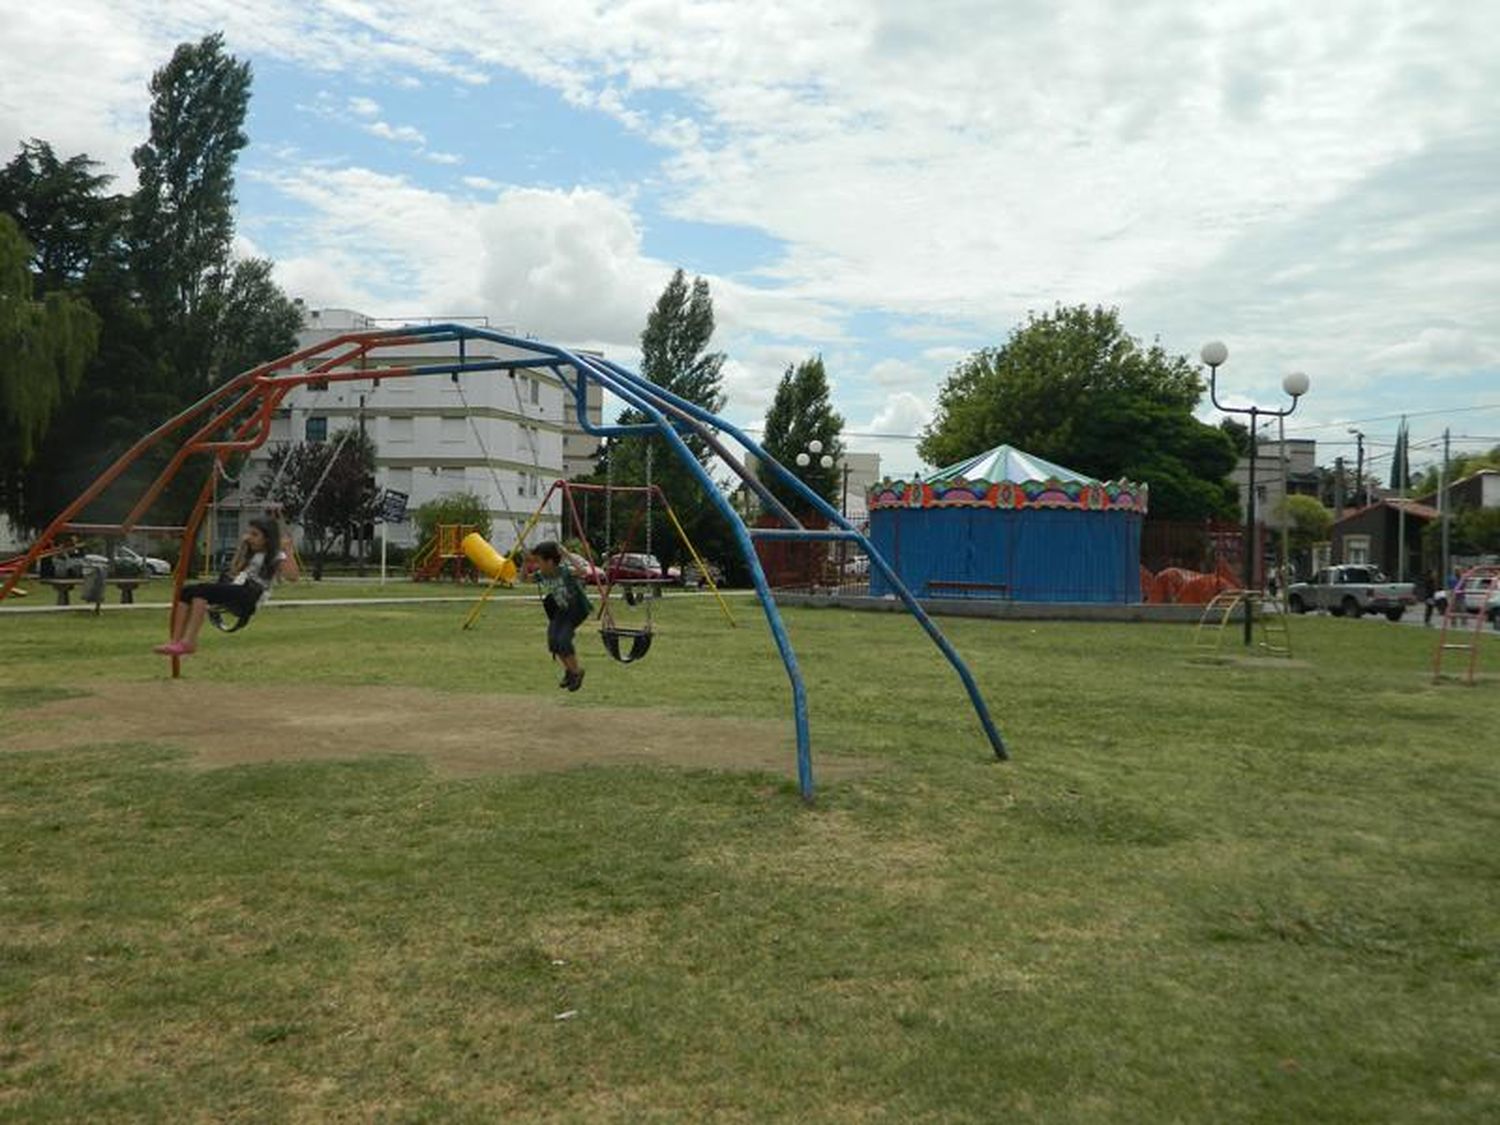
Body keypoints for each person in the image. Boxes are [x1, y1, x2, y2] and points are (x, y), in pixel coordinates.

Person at [153, 516, 298, 656]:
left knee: (202, 591)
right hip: (239, 589)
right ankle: (175, 641)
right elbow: (234, 571)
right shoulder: (252, 553)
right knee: (186, 592)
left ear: (267, 538)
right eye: (249, 533)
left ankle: (189, 642)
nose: (249, 537)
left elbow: (293, 577)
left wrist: (288, 550)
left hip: (250, 596)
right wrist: (243, 547)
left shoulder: (277, 555)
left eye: (255, 534)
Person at [528, 540, 591, 691]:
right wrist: (525, 563)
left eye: (539, 561)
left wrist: (566, 553)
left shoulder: (564, 571)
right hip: (562, 610)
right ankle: (570, 671)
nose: (537, 565)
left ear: (550, 562)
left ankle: (577, 672)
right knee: (553, 641)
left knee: (563, 639)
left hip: (577, 609)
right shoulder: (542, 574)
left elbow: (583, 571)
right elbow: (523, 579)